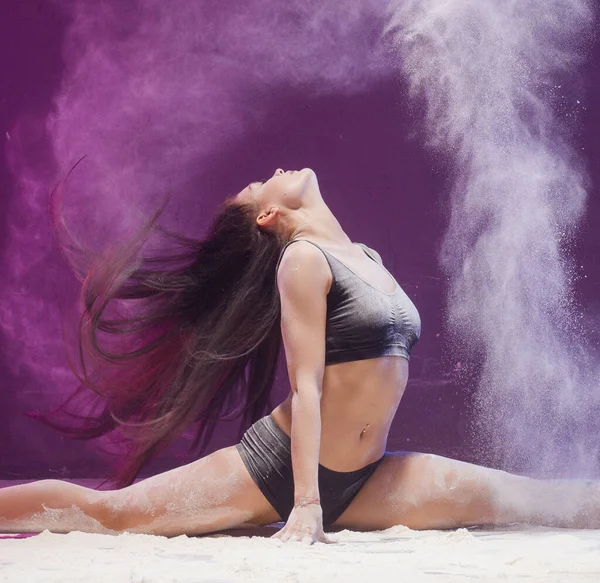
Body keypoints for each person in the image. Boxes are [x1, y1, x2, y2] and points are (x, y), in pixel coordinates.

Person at [1, 167, 599, 544]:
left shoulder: (366, 257)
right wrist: (307, 507)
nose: (279, 169)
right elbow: (306, 384)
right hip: (283, 469)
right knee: (112, 517)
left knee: (538, 499)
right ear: (269, 215)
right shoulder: (303, 260)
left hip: (368, 476)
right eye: (263, 181)